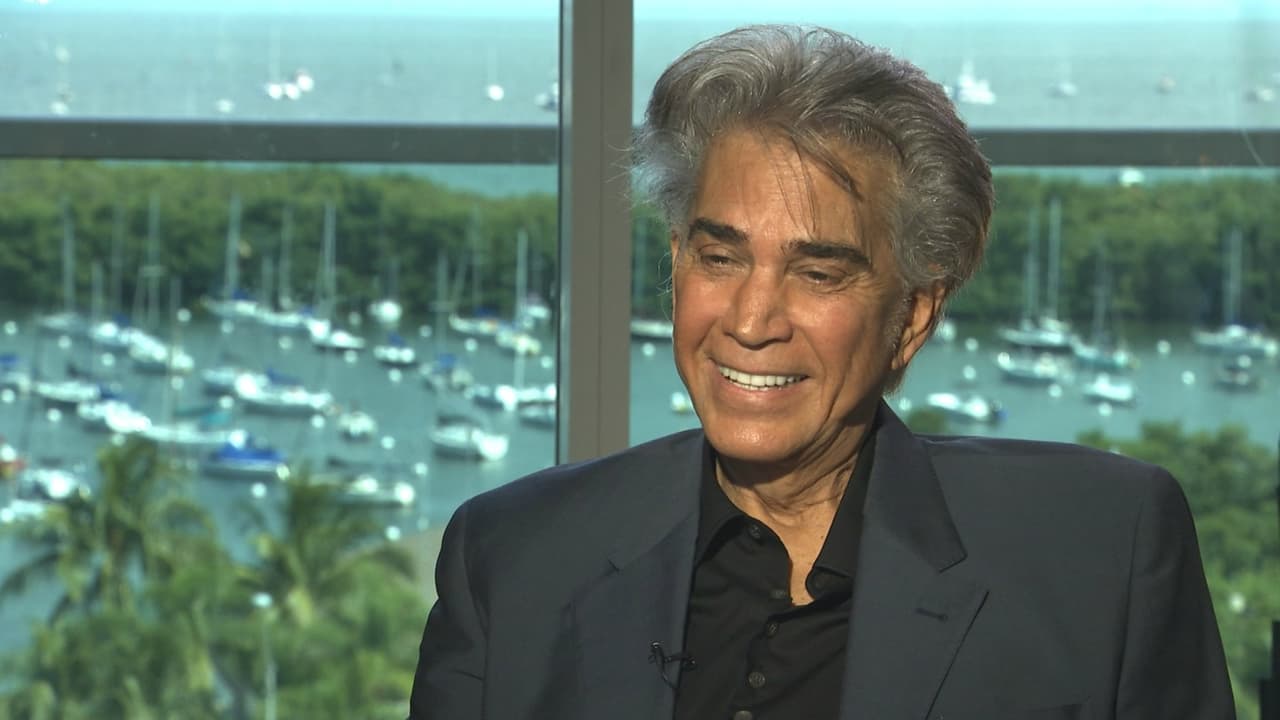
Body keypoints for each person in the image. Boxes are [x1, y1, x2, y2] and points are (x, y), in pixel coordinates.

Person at [408, 25, 1234, 720]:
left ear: (913, 317)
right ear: (678, 261)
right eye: (720, 257)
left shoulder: (1102, 553)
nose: (751, 321)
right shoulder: (513, 559)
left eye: (819, 272)